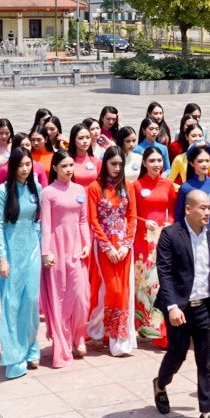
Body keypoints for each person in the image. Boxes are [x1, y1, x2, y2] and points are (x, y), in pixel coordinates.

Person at [153, 189, 210, 418]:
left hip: (205, 306)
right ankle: (160, 384)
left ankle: (206, 412)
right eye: (202, 208)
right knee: (177, 355)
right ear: (188, 209)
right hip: (180, 308)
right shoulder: (171, 234)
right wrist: (172, 306)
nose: (208, 212)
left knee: (206, 361)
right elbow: (164, 272)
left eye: (209, 208)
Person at [0, 151, 43, 379]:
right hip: (11, 253)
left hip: (32, 251)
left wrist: (42, 250)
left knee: (31, 301)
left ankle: (31, 347)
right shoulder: (3, 191)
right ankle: (14, 356)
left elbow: (38, 222)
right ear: (13, 167)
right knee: (12, 304)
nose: (25, 169)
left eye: (28, 164)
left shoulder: (36, 189)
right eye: (21, 165)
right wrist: (2, 257)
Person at [39, 149, 91, 367]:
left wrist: (87, 243)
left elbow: (83, 220)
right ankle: (62, 342)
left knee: (80, 297)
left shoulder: (79, 190)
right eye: (64, 166)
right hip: (56, 249)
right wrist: (46, 252)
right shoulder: (48, 192)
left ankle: (78, 335)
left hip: (76, 249)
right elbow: (46, 224)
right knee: (60, 297)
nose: (69, 169)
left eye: (71, 165)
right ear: (55, 168)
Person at [89, 146, 138, 357]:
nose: (117, 168)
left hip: (124, 246)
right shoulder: (94, 188)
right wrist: (108, 247)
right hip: (104, 246)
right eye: (113, 164)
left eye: (120, 164)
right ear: (105, 164)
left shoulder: (128, 186)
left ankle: (119, 339)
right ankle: (98, 327)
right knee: (112, 290)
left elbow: (132, 217)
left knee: (123, 291)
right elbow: (93, 220)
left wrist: (126, 245)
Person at [132, 147, 178, 348]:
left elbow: (174, 211)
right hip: (143, 241)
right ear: (144, 163)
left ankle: (161, 330)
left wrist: (169, 222)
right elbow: (131, 214)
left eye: (159, 160)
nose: (156, 164)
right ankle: (144, 326)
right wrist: (143, 222)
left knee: (162, 283)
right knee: (145, 285)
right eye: (152, 161)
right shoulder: (136, 185)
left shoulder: (168, 185)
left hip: (163, 240)